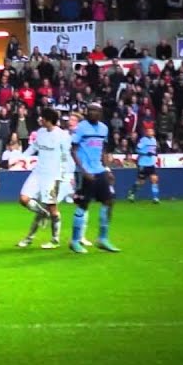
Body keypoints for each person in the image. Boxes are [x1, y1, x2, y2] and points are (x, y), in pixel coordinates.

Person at [70, 102, 120, 253]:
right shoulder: (81, 128)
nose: (92, 113)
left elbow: (102, 150)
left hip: (99, 170)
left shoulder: (104, 128)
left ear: (101, 113)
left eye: (96, 111)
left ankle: (102, 239)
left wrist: (107, 168)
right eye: (90, 110)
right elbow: (73, 149)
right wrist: (83, 170)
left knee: (109, 201)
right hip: (86, 172)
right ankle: (74, 241)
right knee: (83, 205)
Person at [16, 109, 69, 249]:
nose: (40, 120)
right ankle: (42, 213)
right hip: (38, 173)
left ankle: (53, 240)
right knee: (23, 199)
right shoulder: (40, 132)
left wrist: (66, 175)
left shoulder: (62, 135)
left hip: (53, 176)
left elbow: (66, 157)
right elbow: (33, 148)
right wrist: (19, 158)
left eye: (42, 118)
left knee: (53, 208)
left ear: (48, 119)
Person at [127, 125, 161, 204]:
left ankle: (155, 198)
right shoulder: (143, 140)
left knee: (154, 179)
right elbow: (137, 150)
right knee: (141, 182)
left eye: (152, 131)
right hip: (143, 164)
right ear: (146, 132)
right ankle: (131, 193)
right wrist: (145, 153)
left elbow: (153, 150)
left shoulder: (154, 140)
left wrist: (155, 153)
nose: (151, 132)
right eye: (149, 131)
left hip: (151, 164)